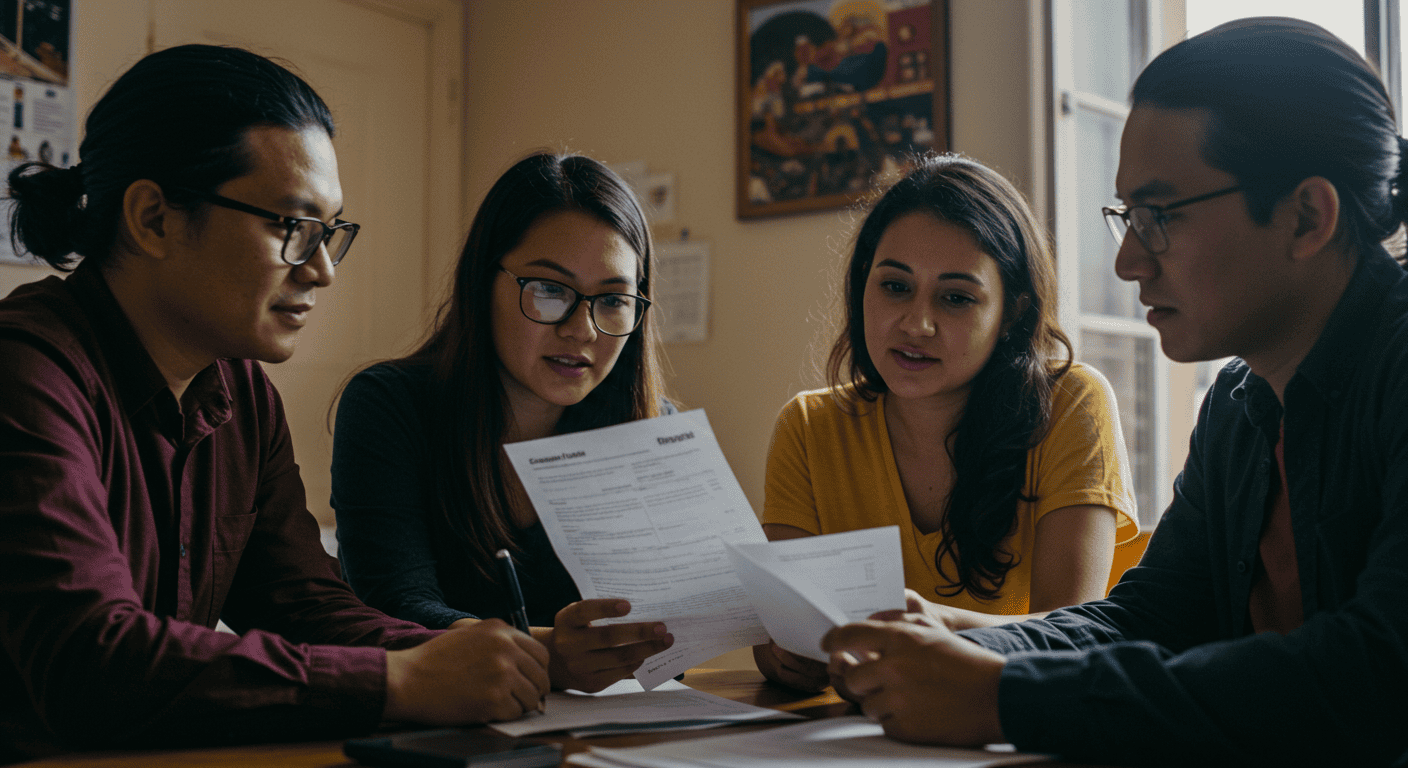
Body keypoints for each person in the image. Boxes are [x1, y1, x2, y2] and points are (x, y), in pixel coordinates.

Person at [822, 18, 1408, 766]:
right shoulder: (1239, 402)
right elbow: (1152, 615)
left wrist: (1002, 693)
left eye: (1160, 217)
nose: (1129, 260)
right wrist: (977, 646)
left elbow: (1380, 672)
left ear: (1306, 216)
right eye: (1128, 217)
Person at [0, 45, 549, 763]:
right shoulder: (27, 370)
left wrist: (510, 656)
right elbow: (90, 663)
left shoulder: (239, 391)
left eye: (330, 234)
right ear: (153, 218)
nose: (321, 270)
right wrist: (396, 679)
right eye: (292, 227)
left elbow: (305, 607)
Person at [756, 153, 1138, 690]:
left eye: (957, 298)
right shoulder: (808, 425)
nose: (918, 323)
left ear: (1013, 315)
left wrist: (943, 629)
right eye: (894, 286)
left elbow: (1072, 633)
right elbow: (787, 648)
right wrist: (785, 657)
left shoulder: (1071, 403)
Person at [331, 152, 675, 694]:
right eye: (550, 289)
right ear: (482, 281)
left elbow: (672, 642)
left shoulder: (651, 430)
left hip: (616, 733)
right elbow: (392, 607)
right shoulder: (389, 406)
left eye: (612, 300)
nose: (581, 330)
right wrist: (543, 654)